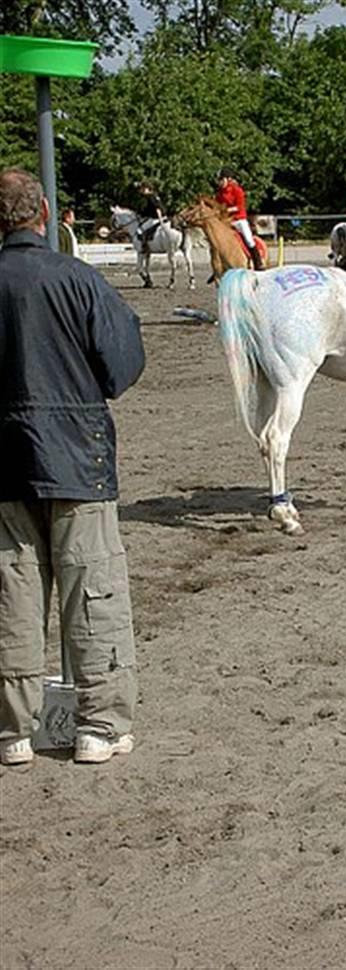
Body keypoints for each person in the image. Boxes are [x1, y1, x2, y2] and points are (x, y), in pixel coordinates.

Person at [0, 168, 145, 766]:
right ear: (44, 216)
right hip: (77, 458)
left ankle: (11, 732)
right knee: (94, 592)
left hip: (4, 462)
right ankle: (100, 726)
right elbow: (121, 367)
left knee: (11, 593)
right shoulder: (79, 280)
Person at [215, 167, 263, 270]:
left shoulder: (237, 190)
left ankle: (258, 262)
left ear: (229, 179)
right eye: (218, 180)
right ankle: (218, 265)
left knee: (249, 240)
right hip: (227, 220)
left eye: (221, 179)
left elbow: (240, 206)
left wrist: (227, 210)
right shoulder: (219, 193)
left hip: (239, 219)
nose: (219, 182)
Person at [137, 181, 166, 251]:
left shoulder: (150, 197)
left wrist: (160, 219)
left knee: (140, 230)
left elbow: (157, 209)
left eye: (143, 189)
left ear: (147, 188)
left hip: (155, 218)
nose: (142, 191)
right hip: (164, 217)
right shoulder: (155, 195)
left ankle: (144, 246)